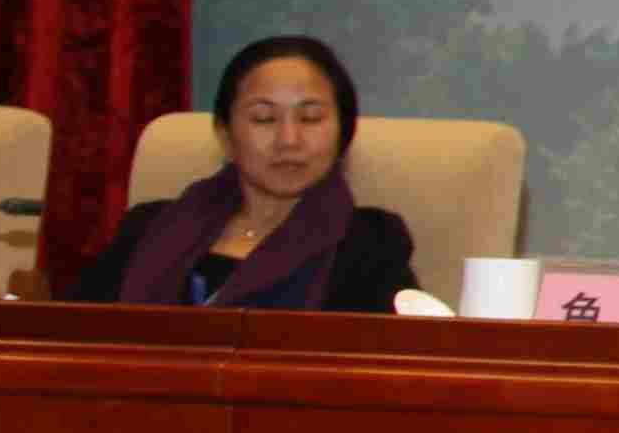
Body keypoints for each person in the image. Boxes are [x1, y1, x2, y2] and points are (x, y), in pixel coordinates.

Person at [66, 34, 418, 311]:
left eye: (310, 117)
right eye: (263, 118)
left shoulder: (371, 245)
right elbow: (76, 337)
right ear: (225, 134)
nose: (289, 139)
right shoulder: (148, 227)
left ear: (343, 132)